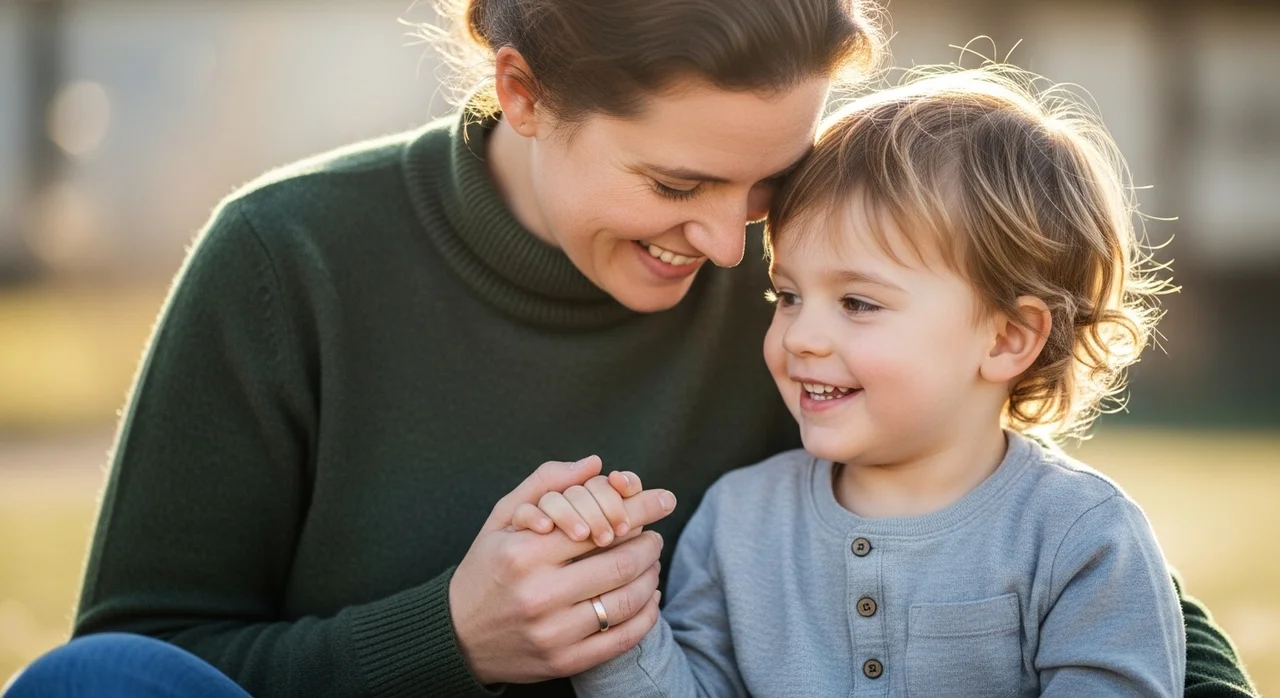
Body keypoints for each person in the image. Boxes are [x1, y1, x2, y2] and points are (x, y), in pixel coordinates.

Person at [1, 0, 1256, 696]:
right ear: (525, 93)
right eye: (676, 182)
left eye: (765, 184)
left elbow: (1098, 592)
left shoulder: (809, 274)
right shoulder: (288, 261)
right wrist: (443, 634)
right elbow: (150, 653)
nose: (729, 253)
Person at [511, 66, 1247, 697]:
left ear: (1008, 337)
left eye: (858, 303)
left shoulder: (1080, 536)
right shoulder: (738, 522)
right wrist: (613, 613)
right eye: (788, 296)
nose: (801, 335)